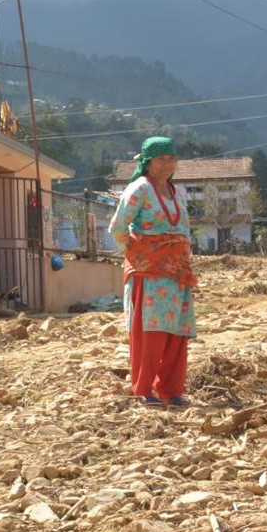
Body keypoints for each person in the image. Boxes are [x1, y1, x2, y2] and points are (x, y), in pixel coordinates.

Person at [107, 136, 196, 406]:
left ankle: (171, 390)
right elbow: (118, 227)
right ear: (147, 161)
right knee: (150, 331)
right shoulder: (139, 189)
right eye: (161, 158)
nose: (168, 163)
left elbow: (184, 229)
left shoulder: (176, 192)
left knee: (177, 331)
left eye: (172, 158)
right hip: (149, 272)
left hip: (177, 273)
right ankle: (144, 389)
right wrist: (138, 255)